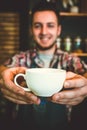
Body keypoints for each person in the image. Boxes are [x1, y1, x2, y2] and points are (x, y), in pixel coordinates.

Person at [0, 1, 87, 130]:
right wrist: (2, 75)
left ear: (58, 30)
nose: (44, 32)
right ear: (31, 29)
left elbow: (84, 72)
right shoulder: (21, 58)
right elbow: (4, 69)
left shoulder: (70, 60)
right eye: (37, 25)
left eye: (50, 25)